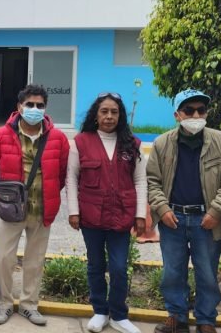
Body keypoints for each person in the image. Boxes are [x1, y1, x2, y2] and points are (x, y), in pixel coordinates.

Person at [147, 89, 221, 333]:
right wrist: (162, 208)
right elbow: (152, 181)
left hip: (207, 220)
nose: (196, 114)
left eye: (201, 110)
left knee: (207, 272)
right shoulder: (162, 143)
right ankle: (177, 317)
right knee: (172, 272)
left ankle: (205, 320)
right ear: (177, 115)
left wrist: (216, 211)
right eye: (189, 110)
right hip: (172, 219)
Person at [0, 84, 69, 326]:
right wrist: (8, 197)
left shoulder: (58, 138)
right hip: (11, 210)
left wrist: (49, 192)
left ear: (45, 108)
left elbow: (61, 174)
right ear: (19, 107)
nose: (34, 109)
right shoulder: (1, 136)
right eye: (29, 104)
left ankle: (29, 305)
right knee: (4, 258)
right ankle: (3, 303)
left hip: (42, 209)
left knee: (35, 260)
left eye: (39, 105)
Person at [66, 93, 146, 333]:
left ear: (120, 115)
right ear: (96, 114)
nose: (109, 116)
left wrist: (140, 214)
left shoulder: (132, 144)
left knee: (120, 267)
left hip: (122, 215)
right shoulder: (81, 142)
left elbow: (140, 180)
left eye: (114, 112)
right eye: (104, 111)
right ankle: (100, 311)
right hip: (91, 215)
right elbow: (71, 178)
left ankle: (119, 315)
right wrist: (73, 211)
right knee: (96, 265)